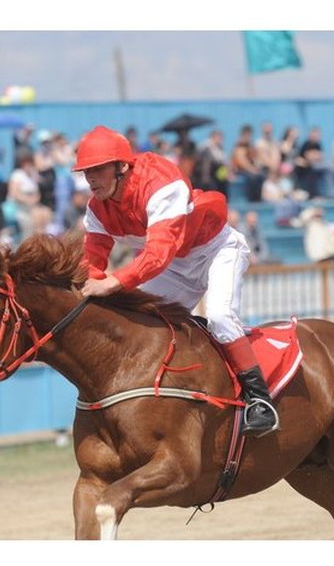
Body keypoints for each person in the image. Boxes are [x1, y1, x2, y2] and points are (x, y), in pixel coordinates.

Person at [75, 125, 278, 437]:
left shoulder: (160, 183)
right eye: (86, 171)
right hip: (174, 266)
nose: (90, 179)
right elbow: (93, 260)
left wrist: (114, 283)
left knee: (221, 317)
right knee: (138, 322)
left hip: (215, 250)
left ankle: (260, 402)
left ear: (122, 167)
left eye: (98, 169)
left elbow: (158, 253)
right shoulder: (96, 209)